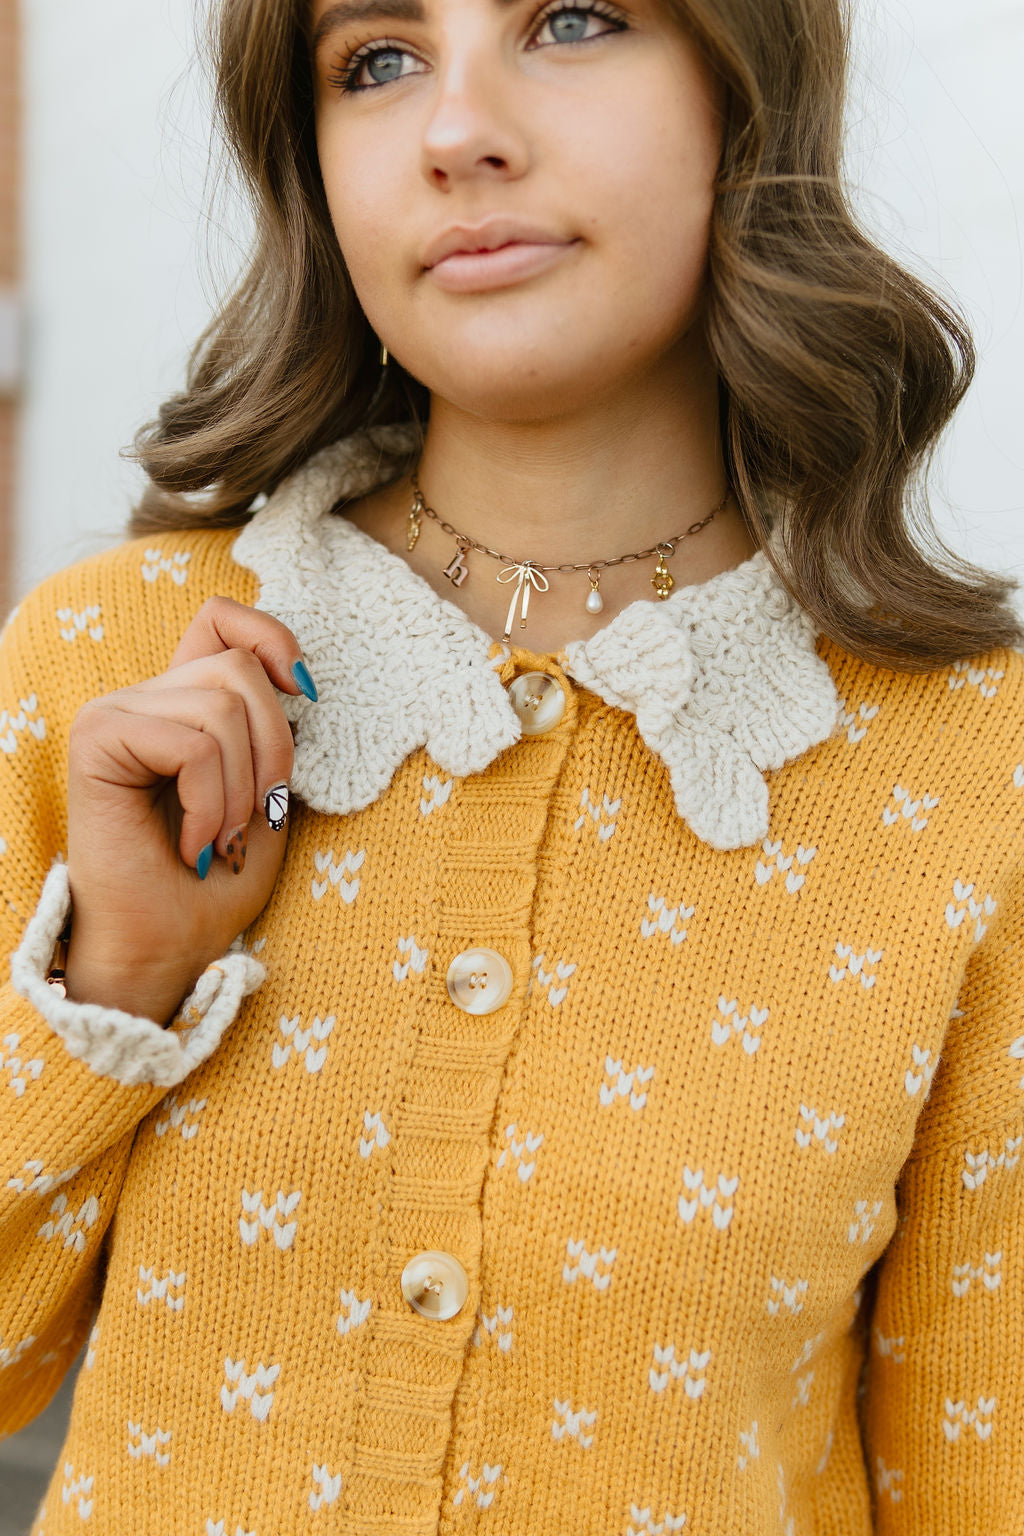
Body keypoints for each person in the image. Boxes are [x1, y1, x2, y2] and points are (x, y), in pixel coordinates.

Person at [1, 0, 1021, 1530]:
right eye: (377, 61)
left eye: (574, 20)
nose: (454, 129)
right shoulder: (113, 675)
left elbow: (974, 1471)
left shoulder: (970, 762)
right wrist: (121, 977)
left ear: (750, 87)